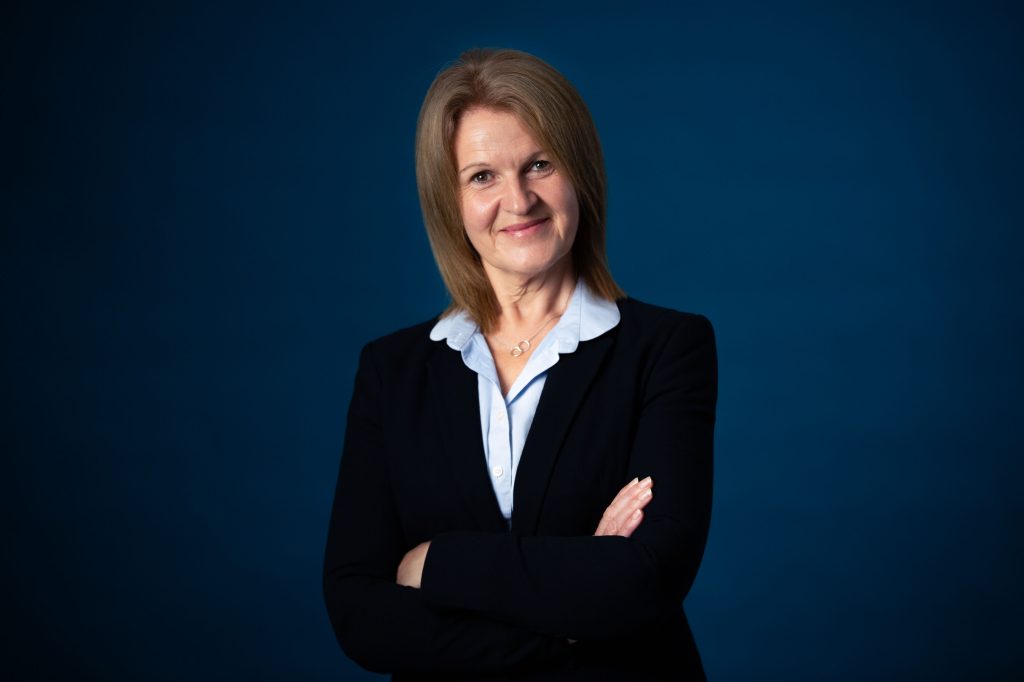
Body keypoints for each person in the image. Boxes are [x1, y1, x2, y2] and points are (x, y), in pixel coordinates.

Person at [323, 48, 717, 681]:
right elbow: (358, 613)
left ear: (580, 172)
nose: (519, 199)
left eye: (539, 164)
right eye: (482, 176)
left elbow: (646, 580)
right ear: (449, 200)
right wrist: (572, 622)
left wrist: (435, 563)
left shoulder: (667, 348)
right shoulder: (392, 371)